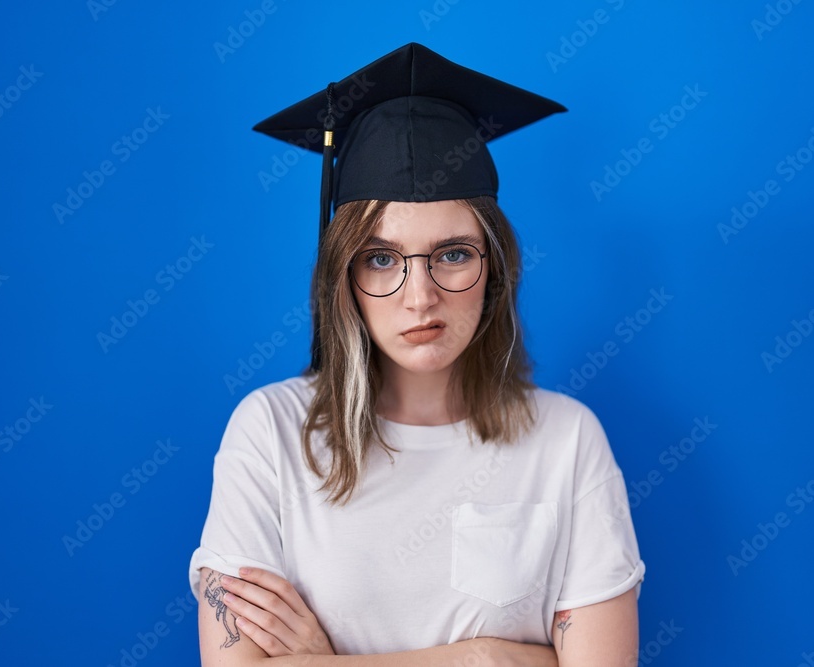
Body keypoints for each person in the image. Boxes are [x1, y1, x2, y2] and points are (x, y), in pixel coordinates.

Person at [190, 43, 645, 666]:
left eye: (453, 253)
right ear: (342, 275)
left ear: (496, 267)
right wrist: (486, 658)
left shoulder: (566, 441)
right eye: (381, 259)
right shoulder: (270, 434)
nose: (420, 298)